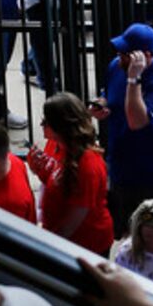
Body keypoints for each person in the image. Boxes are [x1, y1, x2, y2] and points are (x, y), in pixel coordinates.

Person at [102, 21, 153, 226]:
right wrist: (102, 105)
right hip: (122, 169)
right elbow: (110, 97)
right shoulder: (116, 66)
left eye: (126, 53)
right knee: (125, 233)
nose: (120, 56)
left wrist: (134, 79)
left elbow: (137, 122)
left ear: (144, 56)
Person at [28, 93, 114, 256]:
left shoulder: (88, 165)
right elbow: (57, 181)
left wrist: (44, 246)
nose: (41, 124)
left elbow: (71, 223)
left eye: (46, 121)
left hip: (84, 247)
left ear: (61, 127)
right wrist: (39, 170)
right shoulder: (58, 146)